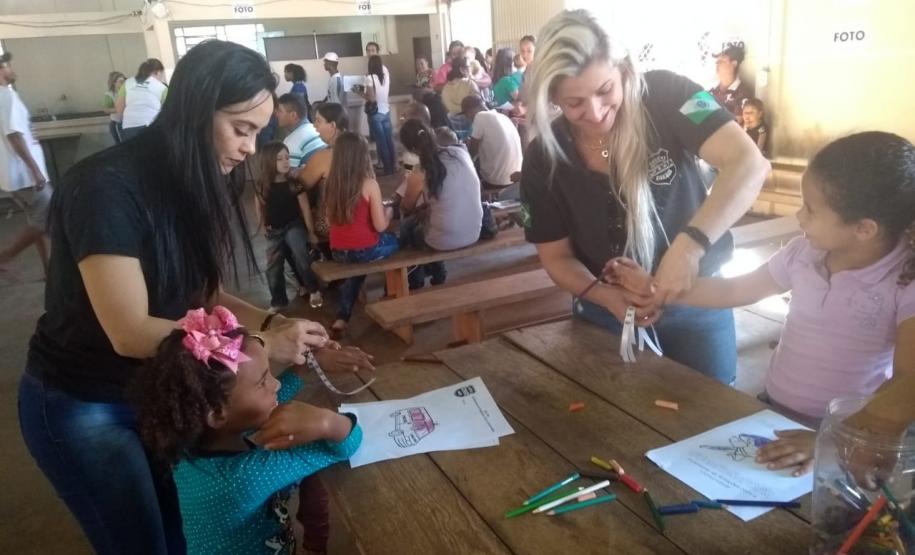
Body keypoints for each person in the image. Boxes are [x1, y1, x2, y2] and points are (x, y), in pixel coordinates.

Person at [17, 40, 334, 555]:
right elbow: (130, 331)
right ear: (194, 110)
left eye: (257, 133)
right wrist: (256, 346)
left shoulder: (196, 180)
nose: (249, 148)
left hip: (158, 392)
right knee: (143, 543)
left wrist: (274, 323)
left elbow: (202, 293)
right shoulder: (105, 187)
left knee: (178, 534)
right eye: (241, 129)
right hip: (86, 400)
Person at [610, 131, 915, 476]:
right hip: (773, 410)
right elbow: (735, 290)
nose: (799, 217)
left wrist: (830, 439)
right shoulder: (803, 254)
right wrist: (656, 287)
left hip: (850, 434)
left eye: (810, 210)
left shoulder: (904, 281)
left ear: (864, 229)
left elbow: (907, 382)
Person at [520, 10, 770, 385]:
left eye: (605, 90)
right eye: (574, 103)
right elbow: (556, 257)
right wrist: (606, 297)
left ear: (623, 69)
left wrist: (689, 248)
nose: (595, 113)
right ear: (553, 97)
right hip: (606, 309)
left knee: (713, 405)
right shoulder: (544, 157)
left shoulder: (673, 95)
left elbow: (749, 164)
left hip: (698, 297)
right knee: (610, 411)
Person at [133, 306, 367, 555]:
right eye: (263, 381)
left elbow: (259, 405)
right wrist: (328, 423)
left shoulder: (193, 442)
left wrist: (304, 367)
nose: (276, 385)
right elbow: (345, 445)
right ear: (217, 414)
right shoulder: (243, 478)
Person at [325, 132, 398, 334]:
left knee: (357, 270)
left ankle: (343, 316)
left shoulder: (332, 183)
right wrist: (389, 213)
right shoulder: (369, 184)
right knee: (397, 240)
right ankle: (390, 296)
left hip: (338, 251)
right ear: (363, 156)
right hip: (365, 250)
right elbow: (381, 226)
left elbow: (329, 221)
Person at [399, 119, 482, 289]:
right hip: (474, 230)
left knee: (408, 229)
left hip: (444, 239)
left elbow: (406, 207)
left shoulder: (420, 170)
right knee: (430, 220)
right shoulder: (460, 152)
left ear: (412, 149)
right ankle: (436, 273)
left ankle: (415, 279)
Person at [254, 141, 323, 311]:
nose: (285, 162)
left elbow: (305, 209)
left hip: (294, 225)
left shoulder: (294, 183)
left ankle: (313, 289)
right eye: (280, 159)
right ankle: (278, 300)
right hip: (274, 230)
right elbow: (260, 206)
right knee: (273, 266)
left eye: (287, 157)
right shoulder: (263, 185)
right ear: (269, 161)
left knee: (300, 252)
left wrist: (311, 232)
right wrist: (262, 226)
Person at [0, 52, 51, 278]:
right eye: (7, 66)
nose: (11, 69)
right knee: (47, 220)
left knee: (37, 222)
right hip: (26, 176)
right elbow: (14, 135)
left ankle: (48, 268)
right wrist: (35, 170)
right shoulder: (7, 97)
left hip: (15, 177)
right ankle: (6, 256)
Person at [294, 102, 349, 255]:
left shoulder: (324, 156)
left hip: (330, 225)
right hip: (359, 220)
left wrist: (296, 173)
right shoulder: (359, 149)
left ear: (332, 125)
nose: (314, 125)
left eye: (318, 121)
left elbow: (300, 185)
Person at [463, 95, 522, 190]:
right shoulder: (503, 117)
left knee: (466, 165)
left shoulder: (480, 116)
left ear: (470, 111)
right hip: (516, 177)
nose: (467, 118)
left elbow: (473, 151)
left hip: (496, 180)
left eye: (466, 114)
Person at [361, 55, 396, 176]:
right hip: (386, 111)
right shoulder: (386, 76)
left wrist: (359, 92)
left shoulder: (369, 78)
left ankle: (388, 169)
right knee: (389, 140)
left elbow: (371, 98)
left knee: (382, 142)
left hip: (376, 114)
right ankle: (393, 167)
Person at [117, 58, 167, 140]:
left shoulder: (128, 83)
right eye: (162, 74)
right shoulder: (162, 87)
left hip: (129, 126)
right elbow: (166, 111)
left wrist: (125, 120)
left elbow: (119, 107)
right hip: (150, 126)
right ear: (157, 72)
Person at [276, 93, 326, 167]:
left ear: (293, 115)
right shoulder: (315, 130)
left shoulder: (291, 142)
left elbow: (289, 172)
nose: (276, 114)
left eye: (280, 111)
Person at [709, 45, 753, 125]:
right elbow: (695, 116)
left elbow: (736, 123)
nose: (717, 65)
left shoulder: (743, 92)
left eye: (721, 62)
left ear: (734, 64)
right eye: (717, 62)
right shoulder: (709, 88)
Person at [103, 71, 126, 144]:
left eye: (124, 81)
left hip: (127, 121)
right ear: (114, 83)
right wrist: (119, 109)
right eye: (121, 81)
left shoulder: (126, 91)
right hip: (117, 123)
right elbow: (106, 110)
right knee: (121, 143)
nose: (123, 83)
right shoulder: (110, 94)